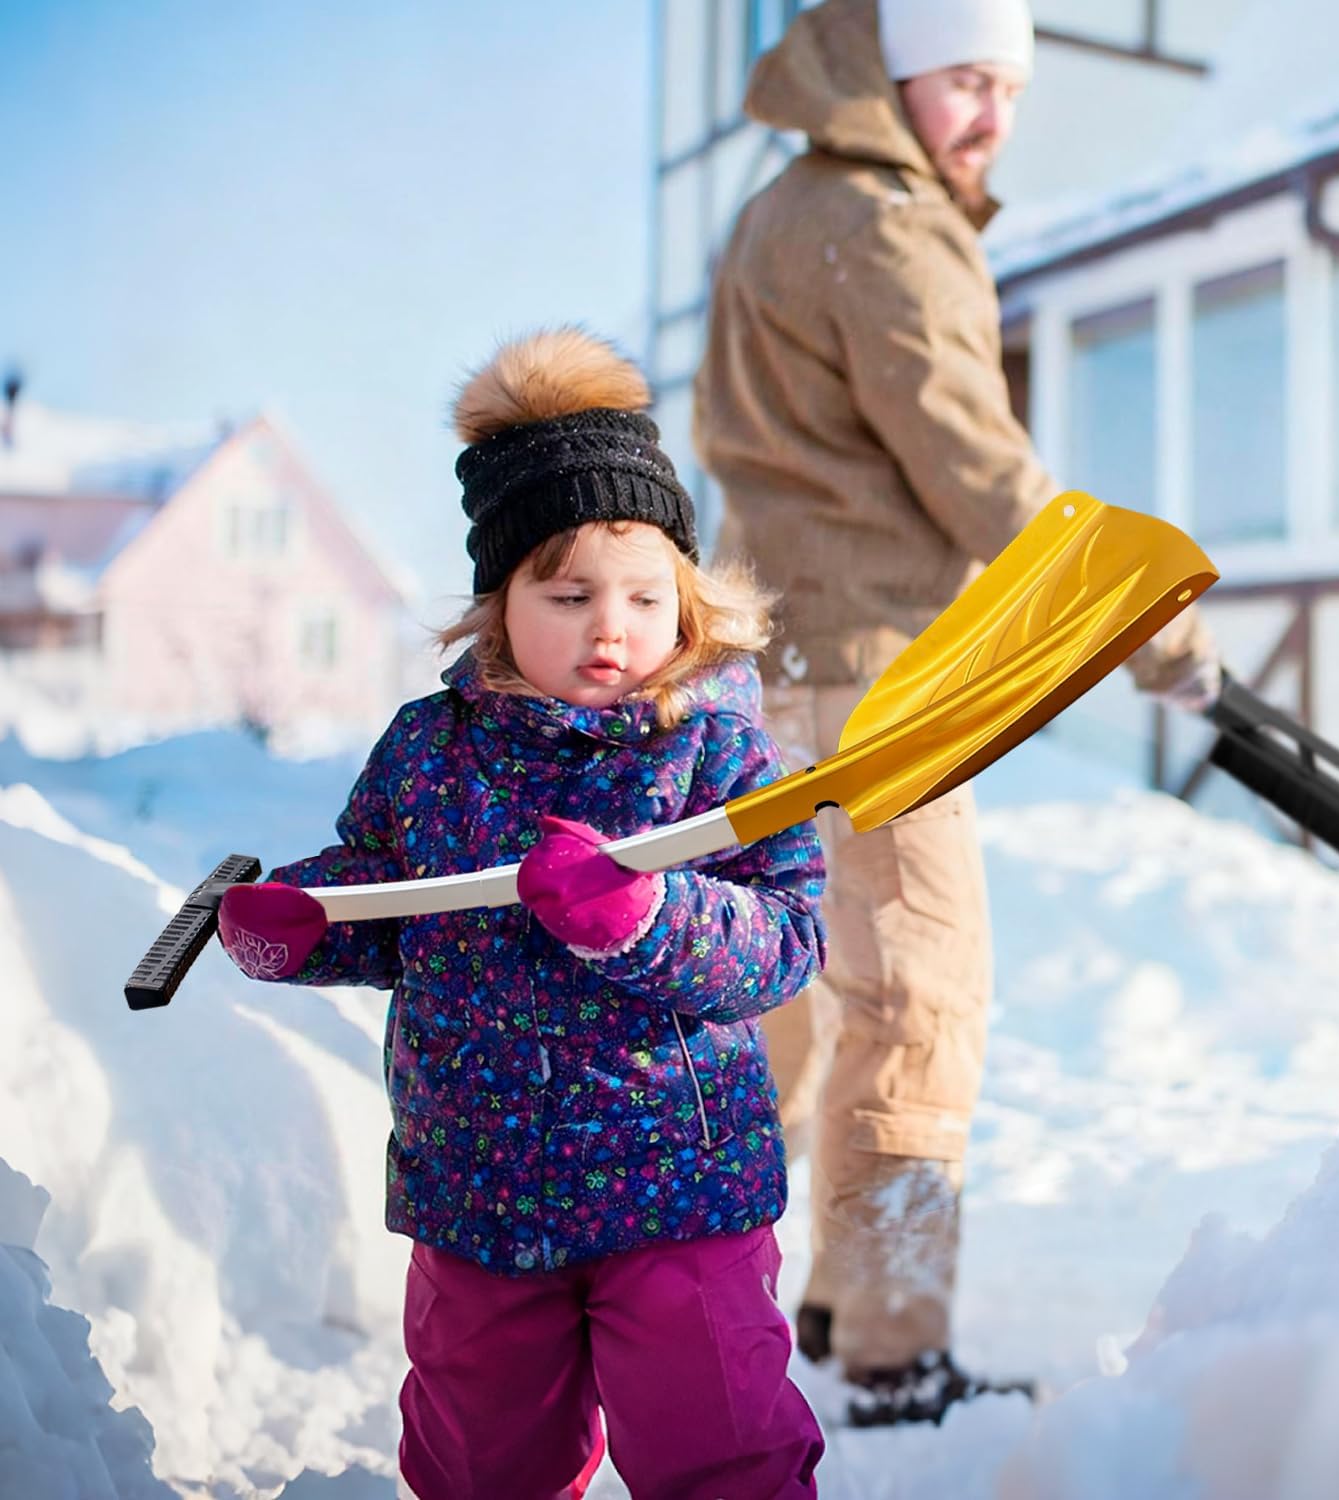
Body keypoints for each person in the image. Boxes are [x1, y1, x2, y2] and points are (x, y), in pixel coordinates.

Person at [694, 0, 1221, 1427]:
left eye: (1009, 85)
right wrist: (1148, 620)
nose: (994, 113)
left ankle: (764, 1297)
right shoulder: (888, 223)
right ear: (892, 72)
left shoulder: (784, 205)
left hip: (771, 665)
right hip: (869, 672)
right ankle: (886, 1344)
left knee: (798, 987)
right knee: (919, 994)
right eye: (966, 80)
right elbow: (979, 465)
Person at [215, 328, 828, 1499]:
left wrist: (645, 920)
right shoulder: (430, 751)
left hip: (675, 1182)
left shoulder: (721, 753)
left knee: (719, 1442)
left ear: (689, 600)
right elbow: (392, 901)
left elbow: (786, 935)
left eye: (648, 595)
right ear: (499, 606)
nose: (614, 627)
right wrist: (303, 924)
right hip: (478, 1184)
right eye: (569, 594)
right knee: (481, 1459)